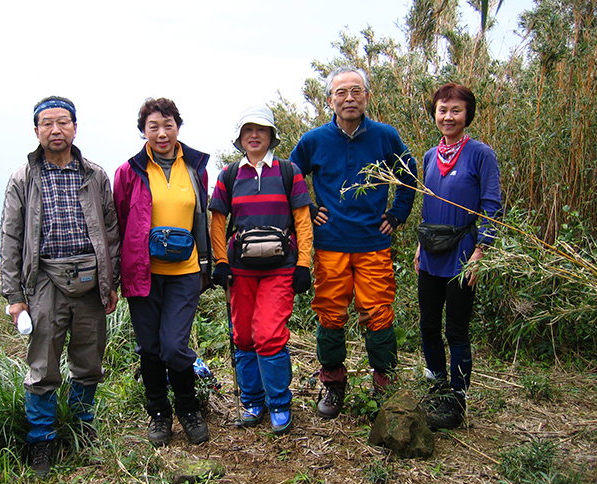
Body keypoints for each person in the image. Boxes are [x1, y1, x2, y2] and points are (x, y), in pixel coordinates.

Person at [0, 96, 121, 476]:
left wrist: (110, 282)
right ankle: (42, 440)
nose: (56, 130)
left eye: (63, 122)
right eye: (47, 124)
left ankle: (82, 428)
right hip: (44, 283)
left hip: (89, 282)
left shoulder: (94, 175)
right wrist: (15, 297)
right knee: (42, 365)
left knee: (89, 361)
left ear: (74, 127)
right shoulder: (24, 178)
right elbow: (10, 237)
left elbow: (112, 231)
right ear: (36, 131)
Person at [289, 66, 417, 419]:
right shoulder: (314, 140)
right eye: (341, 92)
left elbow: (408, 172)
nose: (349, 98)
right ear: (329, 99)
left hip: (373, 241)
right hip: (330, 243)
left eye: (356, 91)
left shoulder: (385, 136)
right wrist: (309, 208)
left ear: (366, 96)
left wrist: (398, 213)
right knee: (330, 313)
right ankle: (333, 383)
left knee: (378, 312)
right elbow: (291, 174)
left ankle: (384, 384)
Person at [113, 98, 211, 447]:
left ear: (178, 127)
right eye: (153, 126)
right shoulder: (129, 171)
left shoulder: (196, 166)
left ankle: (188, 407)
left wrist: (208, 265)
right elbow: (119, 224)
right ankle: (159, 413)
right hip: (143, 272)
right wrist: (113, 276)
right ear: (143, 131)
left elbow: (204, 216)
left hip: (185, 270)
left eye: (168, 124)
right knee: (150, 346)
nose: (161, 132)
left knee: (173, 345)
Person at [209, 105, 313, 434]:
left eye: (262, 130)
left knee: (268, 335)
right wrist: (221, 263)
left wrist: (303, 265)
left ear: (271, 137)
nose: (255, 135)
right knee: (242, 336)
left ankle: (279, 403)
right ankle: (253, 401)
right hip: (240, 270)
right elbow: (218, 223)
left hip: (280, 269)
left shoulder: (288, 171)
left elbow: (302, 221)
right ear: (240, 139)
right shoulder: (228, 175)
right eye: (248, 131)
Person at [414, 83, 502, 429]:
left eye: (455, 110)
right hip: (431, 253)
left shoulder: (481, 154)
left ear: (468, 115)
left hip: (464, 253)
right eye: (442, 110)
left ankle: (456, 401)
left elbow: (492, 207)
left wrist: (481, 251)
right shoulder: (428, 156)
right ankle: (437, 387)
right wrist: (421, 243)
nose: (448, 116)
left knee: (457, 331)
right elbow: (428, 203)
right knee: (428, 325)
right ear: (434, 114)